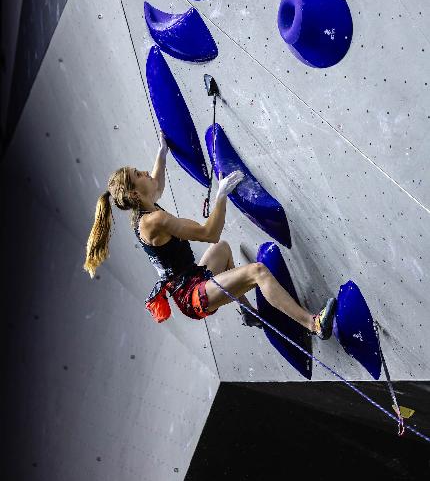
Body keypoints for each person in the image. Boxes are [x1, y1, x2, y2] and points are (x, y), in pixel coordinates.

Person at [83, 132, 336, 338]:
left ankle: (248, 312)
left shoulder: (146, 208)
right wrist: (221, 196)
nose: (145, 172)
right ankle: (313, 324)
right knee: (257, 271)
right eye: (138, 175)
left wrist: (162, 153)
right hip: (192, 297)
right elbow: (209, 233)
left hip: (192, 278)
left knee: (224, 250)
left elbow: (157, 184)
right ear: (136, 194)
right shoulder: (153, 221)